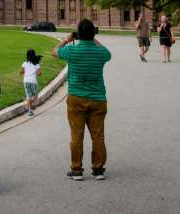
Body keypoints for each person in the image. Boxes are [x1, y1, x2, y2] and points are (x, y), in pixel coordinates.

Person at [53, 19, 112, 181]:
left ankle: (77, 169)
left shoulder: (73, 51)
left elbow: (55, 51)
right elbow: (108, 53)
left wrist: (67, 39)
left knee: (76, 136)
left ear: (79, 34)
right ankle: (98, 169)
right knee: (98, 136)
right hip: (98, 98)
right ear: (93, 34)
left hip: (76, 98)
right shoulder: (100, 53)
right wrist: (92, 38)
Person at [20, 48, 42, 117]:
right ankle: (29, 108)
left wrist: (23, 72)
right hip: (33, 81)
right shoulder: (36, 64)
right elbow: (39, 73)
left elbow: (21, 72)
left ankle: (29, 105)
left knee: (29, 96)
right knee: (35, 96)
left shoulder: (24, 63)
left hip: (26, 81)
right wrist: (37, 73)